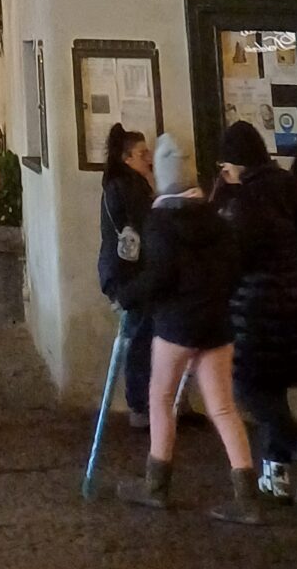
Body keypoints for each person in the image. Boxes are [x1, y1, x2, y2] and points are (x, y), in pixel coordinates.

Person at [123, 132, 262, 524]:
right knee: (222, 407)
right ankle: (247, 498)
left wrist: (129, 294)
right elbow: (235, 271)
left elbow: (158, 278)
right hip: (217, 326)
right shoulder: (218, 222)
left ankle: (156, 486)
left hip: (176, 327)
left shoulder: (160, 224)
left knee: (160, 400)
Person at [214, 119, 297, 504]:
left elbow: (236, 259)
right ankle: (276, 476)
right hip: (295, 306)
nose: (224, 171)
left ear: (238, 161)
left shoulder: (248, 202)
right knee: (273, 393)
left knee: (249, 390)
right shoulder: (288, 188)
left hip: (258, 311)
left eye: (226, 163)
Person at [97, 123, 155, 426]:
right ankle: (140, 406)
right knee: (140, 337)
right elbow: (146, 229)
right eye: (143, 153)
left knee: (141, 334)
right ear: (127, 158)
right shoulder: (130, 188)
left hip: (123, 273)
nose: (149, 158)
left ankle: (144, 403)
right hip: (129, 275)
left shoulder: (123, 185)